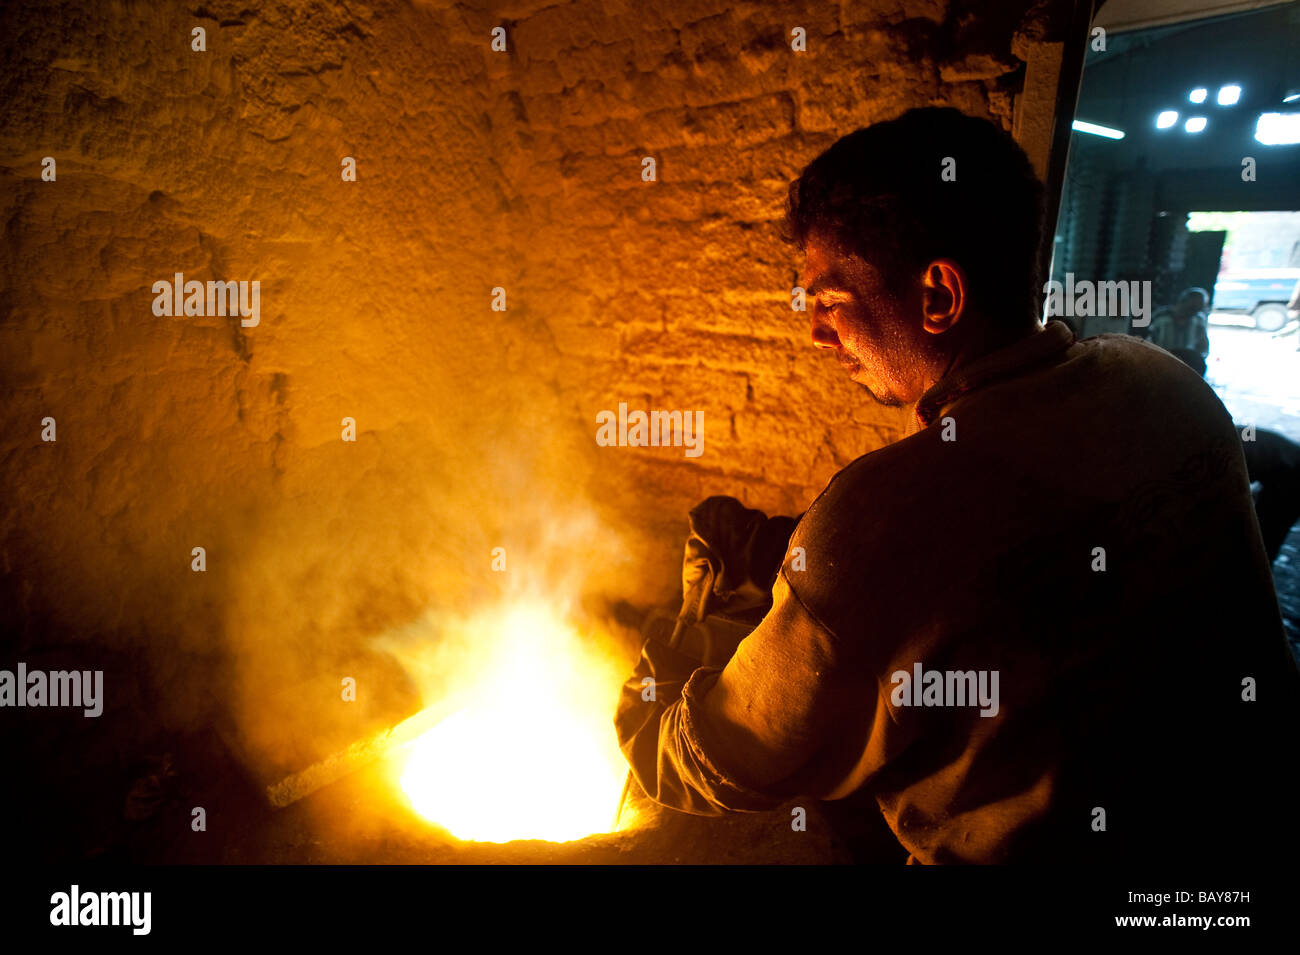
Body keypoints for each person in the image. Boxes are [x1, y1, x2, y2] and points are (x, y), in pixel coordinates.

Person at [614, 107, 1299, 864]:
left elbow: (718, 761)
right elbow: (990, 560)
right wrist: (783, 545)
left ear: (939, 295)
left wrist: (655, 678)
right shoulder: (1165, 384)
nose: (816, 331)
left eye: (831, 302)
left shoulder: (881, 517)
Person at [1145, 287, 1211, 376]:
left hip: (1186, 368)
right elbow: (1146, 343)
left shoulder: (1199, 321)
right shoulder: (1159, 316)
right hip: (1160, 364)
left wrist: (1196, 359)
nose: (1194, 312)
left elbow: (1203, 347)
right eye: (1192, 308)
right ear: (1182, 301)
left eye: (1198, 309)